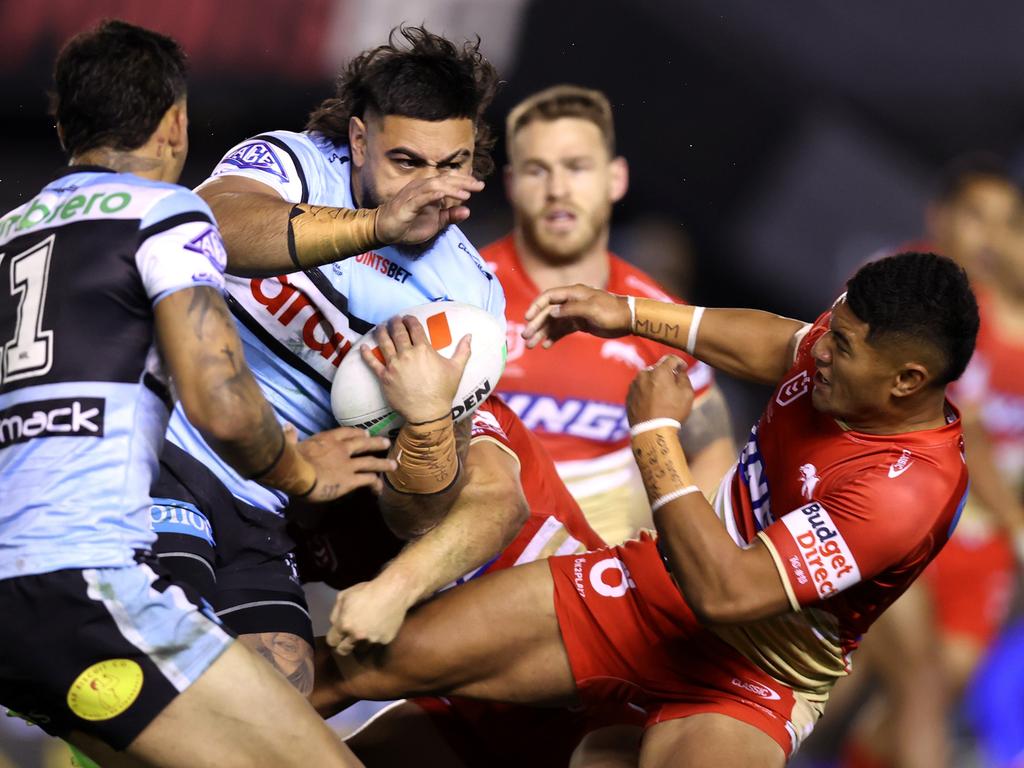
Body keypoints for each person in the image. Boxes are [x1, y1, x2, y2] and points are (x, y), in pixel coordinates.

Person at [325, 251, 978, 768]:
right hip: (647, 589)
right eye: (831, 327)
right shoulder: (840, 358)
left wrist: (655, 436)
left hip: (751, 679)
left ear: (907, 381)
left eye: (845, 346)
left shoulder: (905, 489)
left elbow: (728, 590)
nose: (822, 349)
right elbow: (780, 343)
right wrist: (626, 313)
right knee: (363, 666)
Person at [0, 20, 395, 767]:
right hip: (84, 579)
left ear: (62, 127)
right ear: (177, 123)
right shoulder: (168, 213)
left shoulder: (7, 235)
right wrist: (301, 472)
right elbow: (220, 401)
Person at [151, 24, 505, 694]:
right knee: (166, 648)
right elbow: (212, 228)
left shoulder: (473, 300)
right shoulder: (290, 162)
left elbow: (416, 517)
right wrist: (378, 226)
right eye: (407, 163)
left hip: (267, 497)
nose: (432, 189)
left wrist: (428, 424)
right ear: (360, 140)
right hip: (161, 439)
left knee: (278, 703)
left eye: (452, 165)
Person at [483, 85, 735, 545]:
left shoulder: (660, 317)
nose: (558, 189)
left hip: (595, 579)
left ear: (616, 179)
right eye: (538, 170)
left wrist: (671, 556)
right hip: (468, 557)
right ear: (511, 183)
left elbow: (715, 449)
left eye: (577, 167)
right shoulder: (460, 289)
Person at [839, 160, 1023, 768]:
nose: (992, 238)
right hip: (899, 516)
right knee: (886, 678)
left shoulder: (1006, 317)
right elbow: (963, 425)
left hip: (978, 546)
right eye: (980, 217)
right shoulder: (918, 295)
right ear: (940, 215)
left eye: (1006, 224)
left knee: (922, 691)